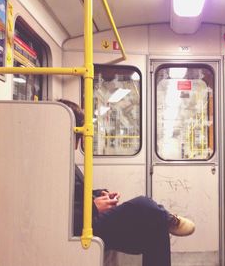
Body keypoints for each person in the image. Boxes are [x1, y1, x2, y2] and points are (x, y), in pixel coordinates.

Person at [58, 99, 195, 266]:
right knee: (142, 203)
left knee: (155, 229)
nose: (77, 142)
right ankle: (167, 217)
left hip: (89, 217)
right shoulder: (50, 164)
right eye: (78, 135)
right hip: (82, 225)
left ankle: (163, 218)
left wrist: (100, 195)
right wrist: (94, 207)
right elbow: (55, 211)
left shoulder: (63, 158)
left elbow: (74, 195)